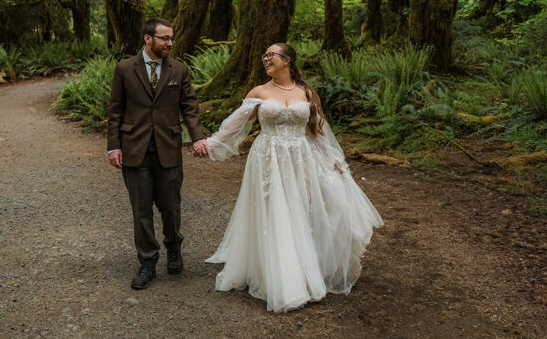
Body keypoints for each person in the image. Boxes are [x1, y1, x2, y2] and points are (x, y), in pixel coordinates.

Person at [204, 42, 383, 313]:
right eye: (264, 55)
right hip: (268, 159)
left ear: (287, 60)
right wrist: (210, 143)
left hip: (301, 159)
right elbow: (236, 123)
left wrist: (336, 160)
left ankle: (307, 269)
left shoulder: (306, 92)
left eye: (270, 55)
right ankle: (283, 280)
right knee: (275, 212)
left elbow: (319, 129)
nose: (265, 59)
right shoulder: (259, 91)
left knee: (303, 210)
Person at [106, 18, 209, 290]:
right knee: (141, 211)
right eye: (164, 38)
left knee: (171, 207)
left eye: (171, 38)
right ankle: (147, 262)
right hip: (134, 150)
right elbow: (116, 110)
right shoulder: (125, 69)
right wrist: (114, 145)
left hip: (168, 148)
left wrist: (197, 137)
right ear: (147, 39)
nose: (170, 43)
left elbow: (190, 107)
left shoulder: (179, 69)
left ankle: (174, 246)